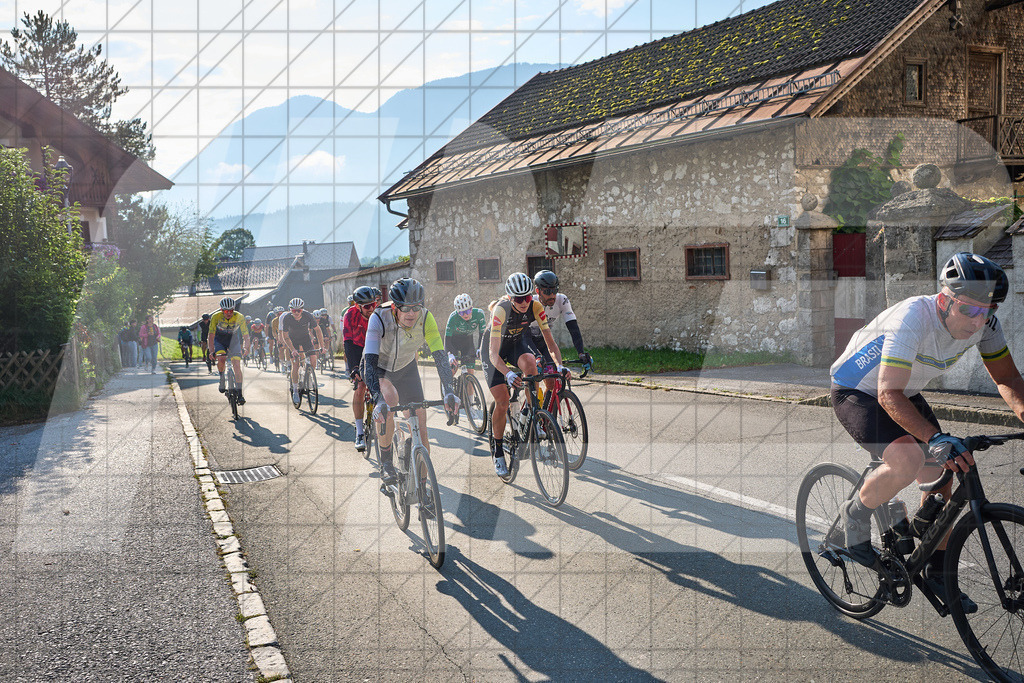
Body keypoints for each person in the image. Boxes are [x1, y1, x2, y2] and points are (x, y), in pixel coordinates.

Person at [832, 252, 1024, 612]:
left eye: (988, 310)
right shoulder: (913, 319)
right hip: (858, 389)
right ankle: (853, 517)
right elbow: (886, 393)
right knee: (907, 459)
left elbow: (1009, 378)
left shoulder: (985, 323)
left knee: (949, 467)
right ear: (944, 299)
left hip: (901, 389)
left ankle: (935, 567)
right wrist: (934, 439)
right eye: (969, 310)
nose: (978, 320)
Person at [362, 278, 459, 486]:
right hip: (379, 368)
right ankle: (386, 462)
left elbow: (439, 356)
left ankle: (424, 488)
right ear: (395, 306)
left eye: (416, 307)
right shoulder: (378, 317)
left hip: (406, 368)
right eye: (406, 308)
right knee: (389, 401)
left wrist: (449, 390)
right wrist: (377, 398)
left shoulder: (426, 318)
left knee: (421, 425)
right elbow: (369, 362)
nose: (411, 313)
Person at [483, 272, 565, 477]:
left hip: (515, 344)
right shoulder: (501, 311)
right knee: (502, 401)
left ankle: (533, 414)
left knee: (531, 364)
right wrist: (508, 373)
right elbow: (493, 353)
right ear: (510, 298)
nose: (524, 302)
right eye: (518, 299)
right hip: (494, 351)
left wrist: (559, 366)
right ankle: (499, 451)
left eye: (527, 297)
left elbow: (550, 343)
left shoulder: (536, 307)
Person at [528, 270, 593, 375]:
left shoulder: (561, 300)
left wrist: (581, 353)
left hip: (544, 341)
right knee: (531, 376)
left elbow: (573, 328)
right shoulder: (530, 302)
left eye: (555, 290)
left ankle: (550, 392)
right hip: (527, 341)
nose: (552, 295)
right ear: (538, 291)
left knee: (552, 378)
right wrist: (536, 356)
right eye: (548, 292)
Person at [343, 286, 378, 451]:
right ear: (357, 306)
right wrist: (354, 368)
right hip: (357, 348)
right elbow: (348, 343)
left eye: (373, 304)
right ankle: (359, 432)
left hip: (375, 347)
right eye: (367, 306)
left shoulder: (379, 312)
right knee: (361, 386)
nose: (371, 309)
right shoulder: (349, 315)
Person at [281, 297, 326, 405]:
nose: (296, 313)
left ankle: (309, 375)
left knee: (313, 358)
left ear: (302, 309)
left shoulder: (308, 316)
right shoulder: (287, 318)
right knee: (295, 365)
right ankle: (296, 390)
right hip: (293, 341)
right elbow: (285, 336)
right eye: (293, 310)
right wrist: (292, 350)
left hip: (305, 339)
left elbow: (318, 330)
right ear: (290, 310)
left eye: (299, 310)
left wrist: (322, 346)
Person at [208, 297, 250, 403]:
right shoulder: (216, 317)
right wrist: (211, 350)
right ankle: (222, 377)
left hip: (233, 340)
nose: (229, 313)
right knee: (221, 359)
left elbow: (246, 335)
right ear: (222, 310)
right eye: (226, 311)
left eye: (231, 310)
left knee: (236, 364)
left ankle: (240, 394)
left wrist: (246, 347)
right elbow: (211, 335)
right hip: (220, 340)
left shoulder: (239, 316)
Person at [444, 293, 487, 375]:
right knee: (453, 369)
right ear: (457, 312)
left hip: (467, 343)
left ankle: (469, 386)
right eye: (461, 313)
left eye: (467, 311)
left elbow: (482, 334)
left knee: (470, 372)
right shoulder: (453, 317)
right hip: (453, 344)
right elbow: (447, 338)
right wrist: (449, 354)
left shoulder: (479, 314)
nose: (465, 315)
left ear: (471, 308)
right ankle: (446, 386)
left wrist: (480, 348)